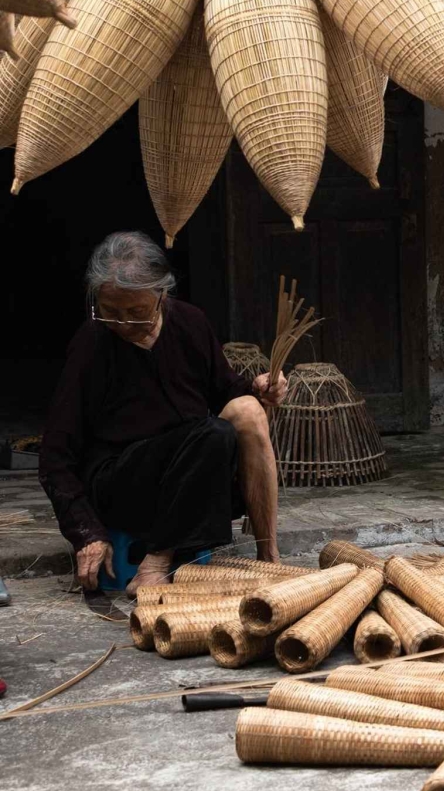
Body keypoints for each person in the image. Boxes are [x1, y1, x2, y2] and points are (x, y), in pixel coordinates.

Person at [38, 232, 286, 596]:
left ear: (162, 294)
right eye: (110, 312)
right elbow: (54, 458)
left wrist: (261, 388)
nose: (123, 324)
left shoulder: (190, 322)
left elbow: (227, 391)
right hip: (123, 482)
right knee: (213, 436)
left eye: (136, 312)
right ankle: (156, 562)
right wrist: (85, 532)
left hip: (190, 480)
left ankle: (269, 556)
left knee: (246, 411)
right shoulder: (92, 342)